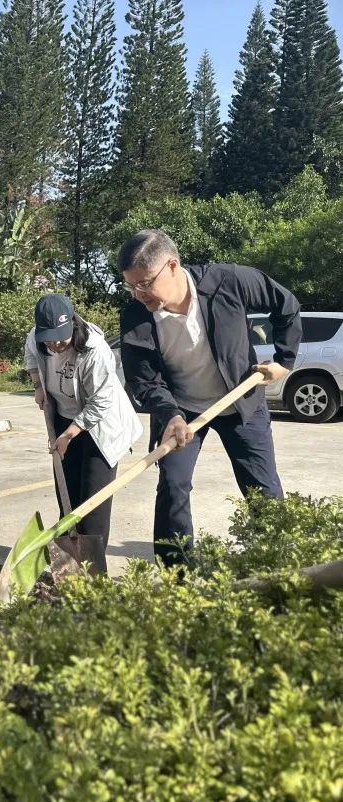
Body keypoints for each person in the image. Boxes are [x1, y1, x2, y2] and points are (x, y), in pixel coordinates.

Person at [118, 229, 301, 566]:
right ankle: (177, 576)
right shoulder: (136, 315)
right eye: (131, 286)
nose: (138, 293)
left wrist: (284, 362)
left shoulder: (227, 281)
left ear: (172, 266)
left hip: (241, 402)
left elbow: (286, 306)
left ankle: (277, 565)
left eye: (144, 283)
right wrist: (169, 414)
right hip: (180, 410)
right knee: (172, 487)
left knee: (262, 490)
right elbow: (143, 379)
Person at [24, 294, 142, 546]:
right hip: (64, 419)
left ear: (73, 326)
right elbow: (31, 355)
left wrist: (69, 435)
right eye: (49, 340)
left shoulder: (95, 349)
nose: (55, 345)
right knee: (67, 500)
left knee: (92, 506)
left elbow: (101, 401)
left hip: (101, 427)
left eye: (61, 339)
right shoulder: (37, 337)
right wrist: (38, 386)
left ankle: (93, 575)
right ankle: (69, 565)